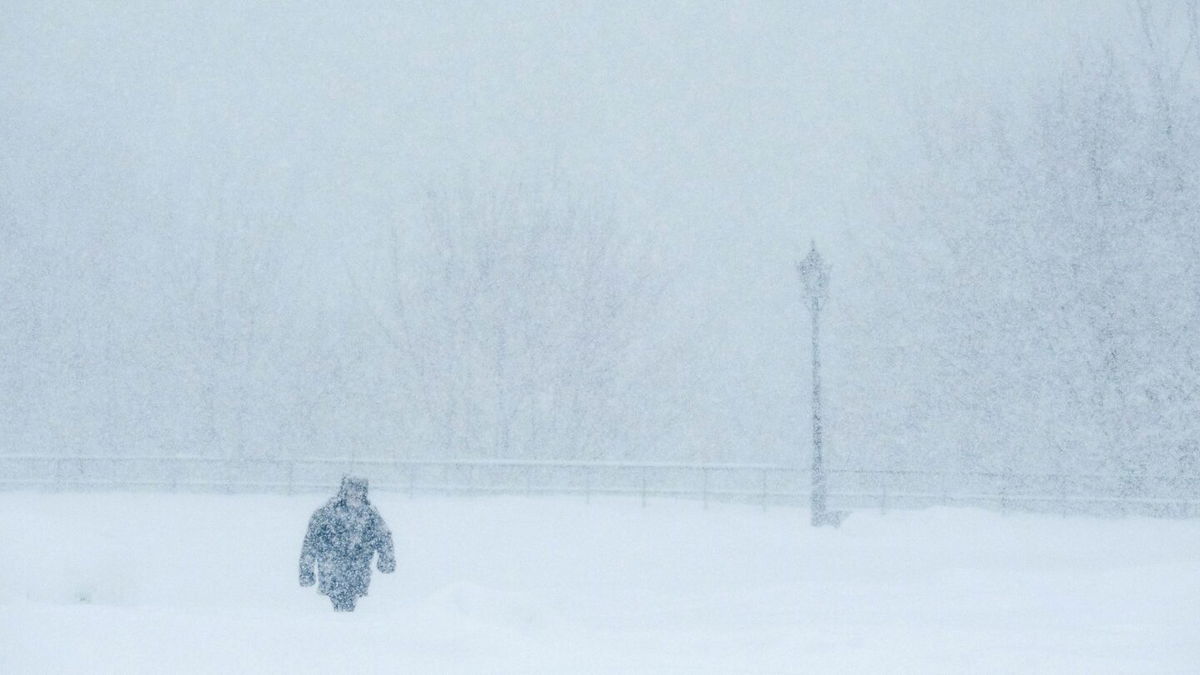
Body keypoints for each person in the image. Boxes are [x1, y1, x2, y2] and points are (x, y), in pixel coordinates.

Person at [299, 476, 396, 611]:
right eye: (351, 489)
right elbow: (310, 543)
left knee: (349, 609)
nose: (355, 493)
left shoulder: (370, 515)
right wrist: (306, 571)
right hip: (332, 571)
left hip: (358, 572)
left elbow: (384, 538)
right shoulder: (326, 513)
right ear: (344, 491)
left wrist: (387, 560)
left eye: (359, 489)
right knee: (336, 609)